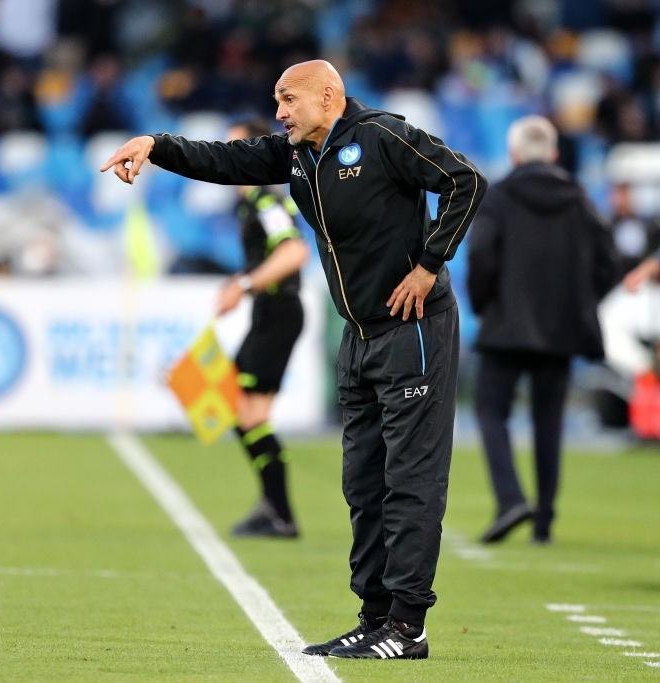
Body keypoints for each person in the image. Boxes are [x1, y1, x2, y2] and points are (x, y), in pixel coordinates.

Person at [100, 60, 485, 660]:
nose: (278, 111)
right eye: (276, 100)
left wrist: (429, 264)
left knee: (409, 481)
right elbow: (223, 161)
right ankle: (374, 614)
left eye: (288, 99)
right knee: (362, 484)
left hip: (413, 329)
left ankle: (408, 626)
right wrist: (156, 145)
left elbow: (465, 181)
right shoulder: (297, 154)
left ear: (328, 95)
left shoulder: (382, 136)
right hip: (358, 337)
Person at [467, 116, 616, 546]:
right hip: (561, 329)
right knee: (548, 421)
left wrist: (485, 303)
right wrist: (583, 303)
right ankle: (544, 520)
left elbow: (481, 256)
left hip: (505, 327)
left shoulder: (499, 196)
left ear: (514, 155)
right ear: (553, 153)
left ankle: (510, 498)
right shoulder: (580, 199)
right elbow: (607, 260)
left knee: (491, 412)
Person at [216, 117, 309, 540]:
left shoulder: (265, 203)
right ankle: (274, 508)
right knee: (246, 411)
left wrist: (246, 284)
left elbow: (294, 251)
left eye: (239, 149)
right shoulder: (250, 204)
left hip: (278, 311)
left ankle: (280, 513)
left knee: (246, 410)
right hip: (270, 312)